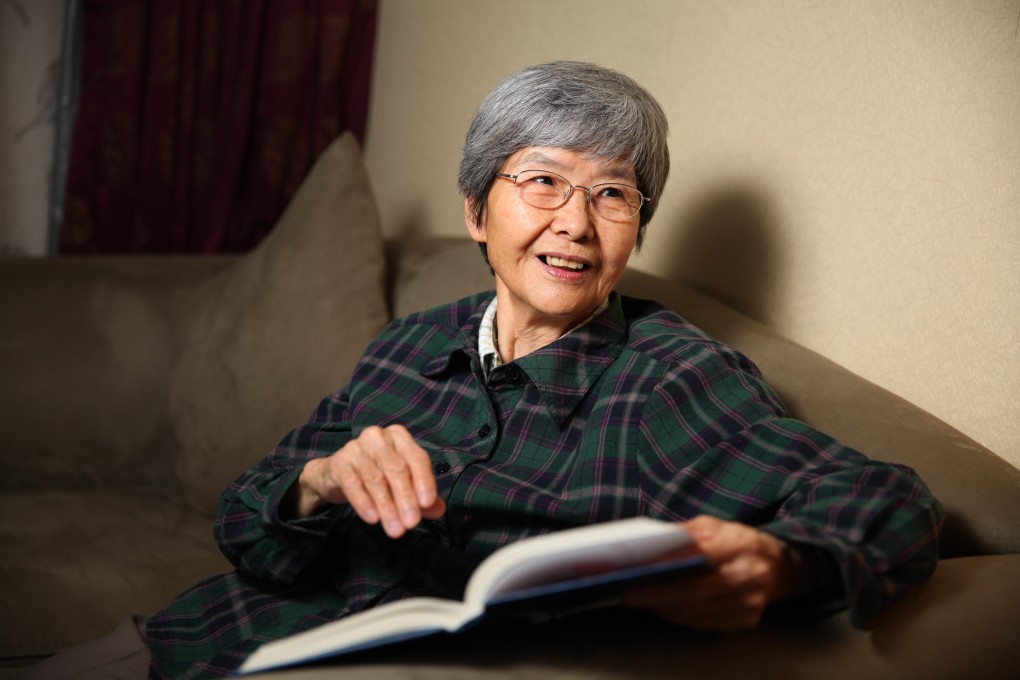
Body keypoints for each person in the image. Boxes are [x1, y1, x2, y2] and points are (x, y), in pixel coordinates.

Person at [25, 61, 944, 679]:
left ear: (634, 228)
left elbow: (888, 500)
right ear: (477, 211)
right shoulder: (408, 345)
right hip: (183, 641)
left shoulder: (668, 378)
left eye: (613, 195)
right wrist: (317, 482)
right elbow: (243, 523)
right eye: (542, 181)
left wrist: (784, 567)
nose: (576, 224)